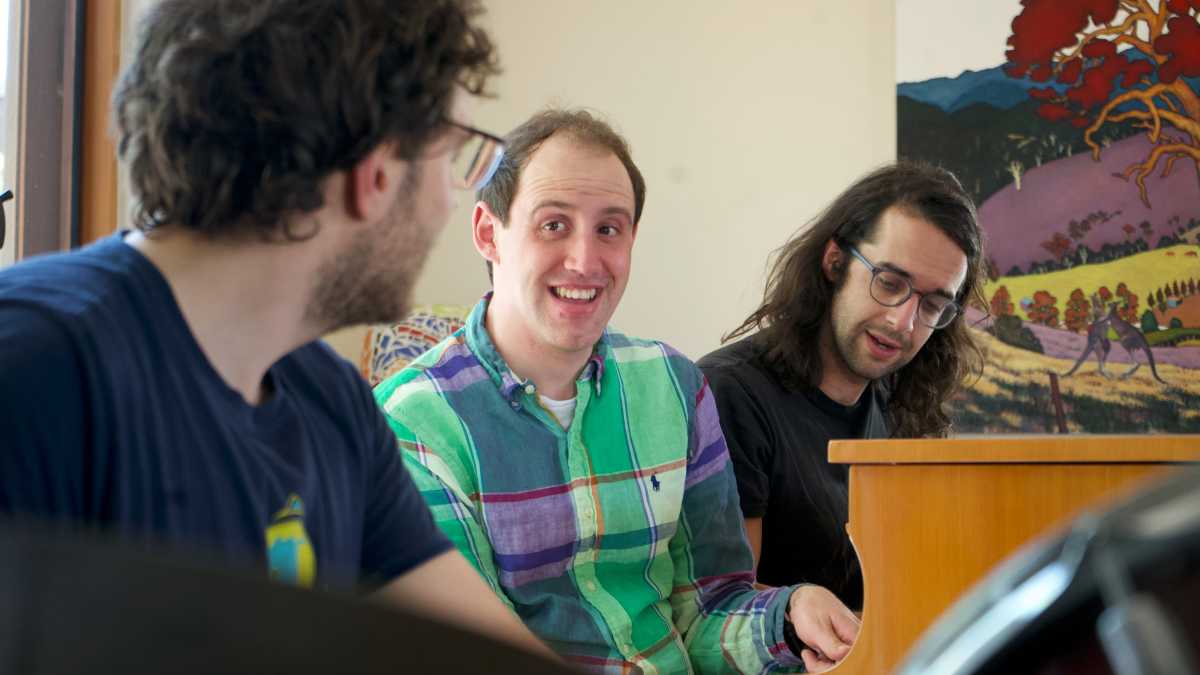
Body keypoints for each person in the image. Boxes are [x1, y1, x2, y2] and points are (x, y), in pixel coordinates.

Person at [0, 0, 549, 656]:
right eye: (455, 156)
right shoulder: (33, 372)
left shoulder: (334, 405)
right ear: (376, 175)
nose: (447, 199)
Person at [375, 109, 860, 673]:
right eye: (553, 225)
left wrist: (789, 616)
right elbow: (473, 653)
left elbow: (707, 609)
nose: (585, 261)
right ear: (489, 233)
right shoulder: (411, 424)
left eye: (609, 229)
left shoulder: (674, 386)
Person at [697, 161, 987, 609]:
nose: (904, 322)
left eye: (932, 306)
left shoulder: (897, 399)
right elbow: (727, 605)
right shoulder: (730, 392)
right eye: (890, 283)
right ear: (835, 262)